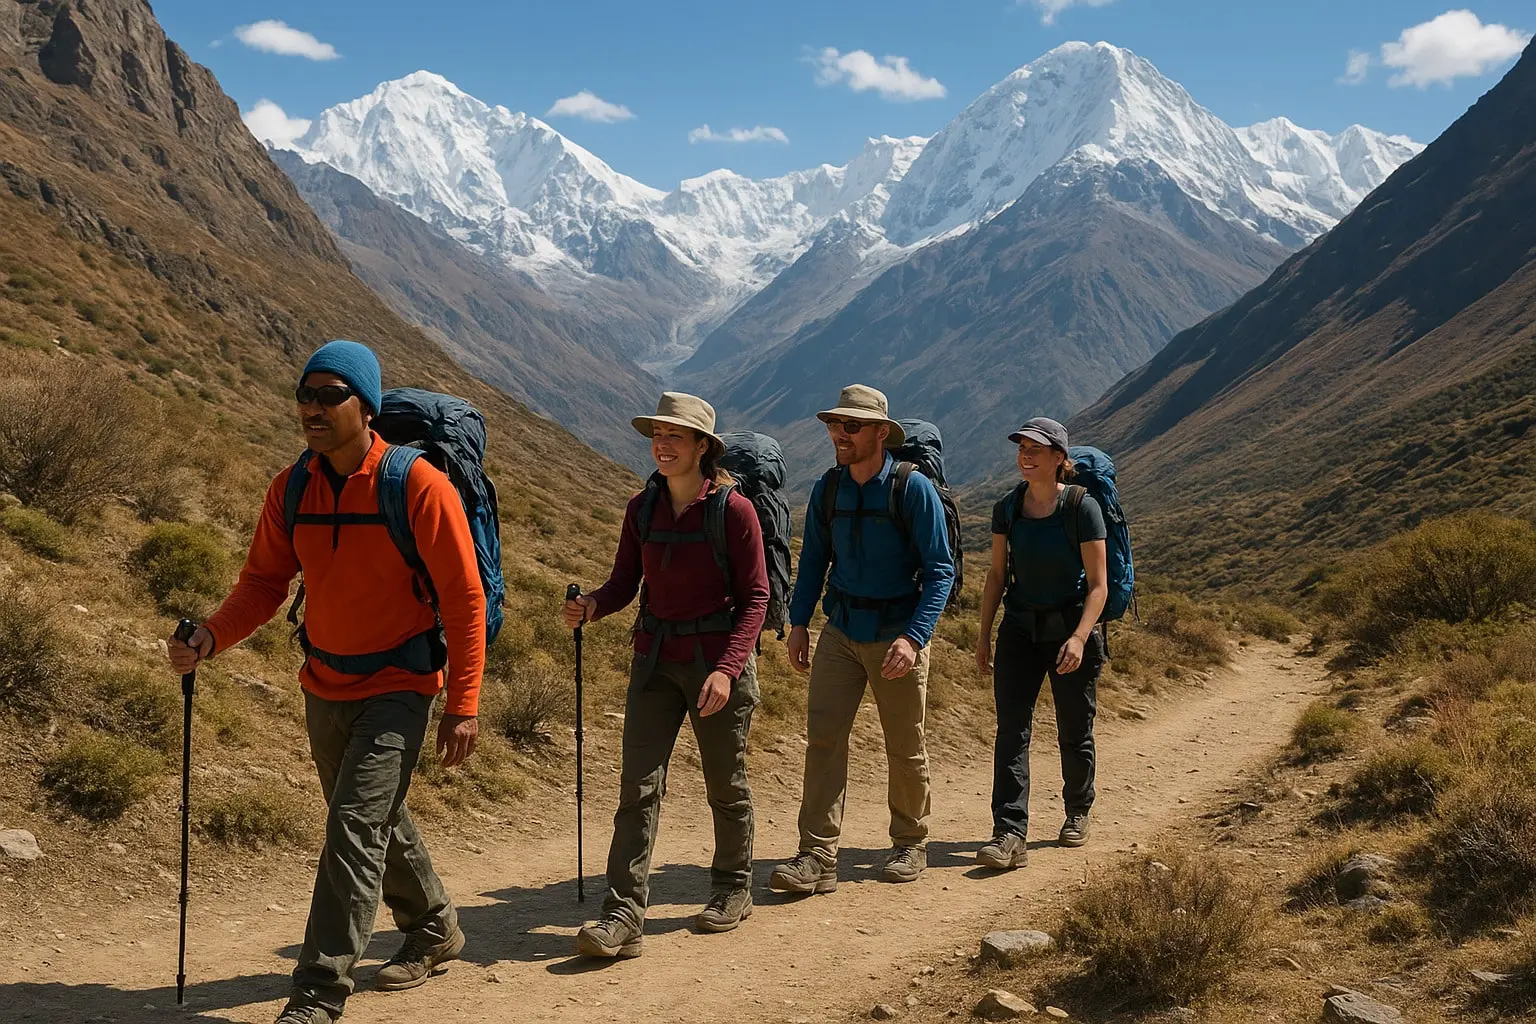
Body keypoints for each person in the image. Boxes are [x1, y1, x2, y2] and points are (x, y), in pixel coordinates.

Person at [167, 340, 484, 1024]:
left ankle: (316, 994)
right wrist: (212, 636)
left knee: (351, 827)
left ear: (364, 406)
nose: (311, 407)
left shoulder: (417, 484)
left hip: (402, 684)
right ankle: (432, 925)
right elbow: (262, 583)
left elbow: (463, 600)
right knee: (373, 816)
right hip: (325, 682)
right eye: (304, 395)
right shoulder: (293, 488)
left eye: (328, 394)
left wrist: (464, 703)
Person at [562, 392, 768, 958]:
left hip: (714, 664)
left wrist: (728, 670)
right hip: (654, 660)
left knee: (725, 784)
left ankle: (732, 887)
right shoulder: (642, 509)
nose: (663, 444)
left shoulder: (734, 510)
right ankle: (623, 914)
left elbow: (755, 599)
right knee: (638, 789)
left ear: (704, 447)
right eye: (657, 434)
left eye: (676, 436)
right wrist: (593, 607)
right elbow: (625, 583)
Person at [769, 384, 954, 893]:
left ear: (879, 432)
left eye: (850, 426)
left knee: (904, 744)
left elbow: (941, 571)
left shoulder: (912, 489)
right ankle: (816, 857)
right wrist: (799, 621)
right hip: (841, 630)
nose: (838, 434)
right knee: (824, 741)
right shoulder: (829, 488)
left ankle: (910, 842)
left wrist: (915, 638)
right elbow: (812, 563)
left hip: (898, 634)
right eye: (834, 425)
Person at [973, 417, 1108, 870]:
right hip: (1019, 631)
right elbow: (996, 575)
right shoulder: (1007, 508)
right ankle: (1009, 833)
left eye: (1037, 448)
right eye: (1022, 448)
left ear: (1059, 459)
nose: (1026, 455)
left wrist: (1079, 637)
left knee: (1074, 727)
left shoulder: (1082, 508)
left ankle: (1077, 811)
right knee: (1012, 731)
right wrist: (984, 635)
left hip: (1072, 630)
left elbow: (1098, 585)